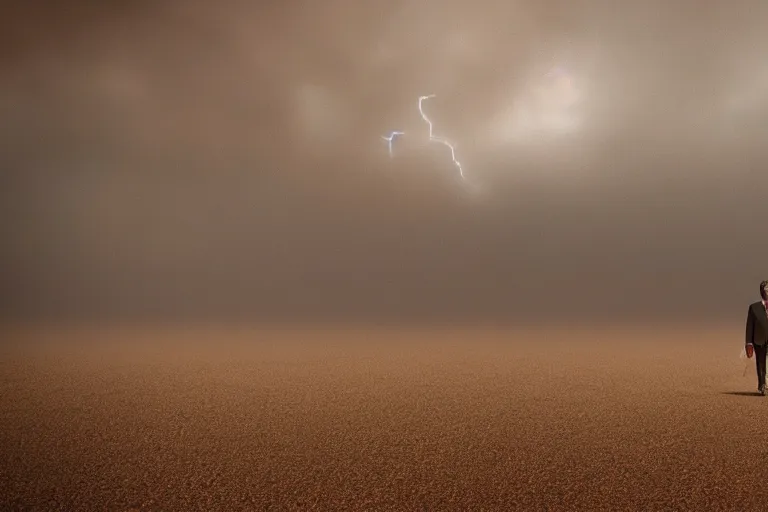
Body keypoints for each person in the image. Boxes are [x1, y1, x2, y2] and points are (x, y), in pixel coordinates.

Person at [745, 280, 768, 395]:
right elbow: (750, 326)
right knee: (761, 363)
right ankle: (762, 385)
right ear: (761, 291)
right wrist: (748, 343)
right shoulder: (754, 308)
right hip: (759, 340)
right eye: (766, 289)